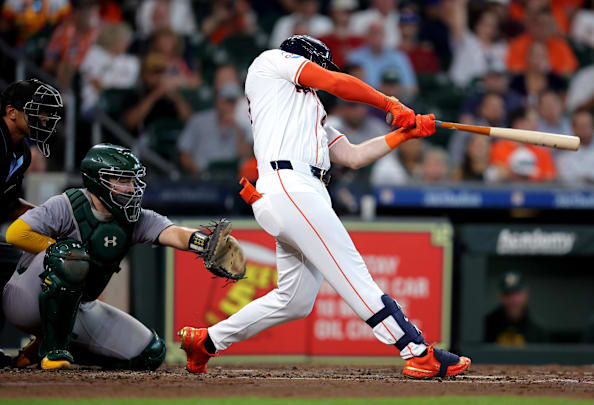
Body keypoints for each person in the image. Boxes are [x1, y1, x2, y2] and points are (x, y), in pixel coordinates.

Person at [177, 35, 471, 379]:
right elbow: (334, 81)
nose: (322, 73)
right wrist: (390, 104)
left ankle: (206, 341)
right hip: (290, 185)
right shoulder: (271, 62)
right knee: (352, 272)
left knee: (295, 300)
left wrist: (406, 134)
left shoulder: (308, 112)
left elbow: (354, 156)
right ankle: (417, 351)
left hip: (301, 191)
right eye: (319, 65)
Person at [3, 144, 243, 370]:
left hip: (78, 307)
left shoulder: (135, 218)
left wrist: (204, 242)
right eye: (121, 180)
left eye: (132, 180)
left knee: (150, 353)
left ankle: (44, 346)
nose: (130, 187)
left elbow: (174, 233)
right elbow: (16, 233)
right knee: (71, 255)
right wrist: (58, 249)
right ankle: (53, 351)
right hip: (25, 298)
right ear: (98, 181)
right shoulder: (67, 204)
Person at [0, 78, 63, 367]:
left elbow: (10, 204)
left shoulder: (22, 152)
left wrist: (53, 219)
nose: (45, 118)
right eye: (37, 111)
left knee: (13, 267)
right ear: (11, 112)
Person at [178, 73, 250, 177]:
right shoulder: (198, 120)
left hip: (232, 179)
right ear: (218, 101)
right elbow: (184, 154)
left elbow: (246, 157)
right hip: (202, 178)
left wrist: (239, 127)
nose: (231, 105)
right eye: (228, 101)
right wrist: (197, 173)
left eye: (234, 101)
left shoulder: (243, 124)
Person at [79, 22, 139, 118]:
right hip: (96, 102)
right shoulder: (94, 53)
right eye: (123, 40)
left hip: (122, 104)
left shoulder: (130, 60)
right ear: (113, 39)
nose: (126, 44)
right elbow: (94, 81)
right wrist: (112, 94)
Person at [346, 19, 417, 94]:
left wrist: (394, 90)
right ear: (366, 36)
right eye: (373, 33)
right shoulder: (354, 57)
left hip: (393, 100)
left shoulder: (398, 57)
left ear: (385, 35)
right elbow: (348, 86)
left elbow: (411, 87)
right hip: (364, 101)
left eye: (379, 33)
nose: (376, 37)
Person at [487, 107, 556, 182]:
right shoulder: (498, 148)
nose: (535, 125)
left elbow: (550, 179)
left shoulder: (543, 152)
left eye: (536, 121)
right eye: (531, 121)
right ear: (518, 123)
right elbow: (492, 175)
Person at [448, 6, 506, 88]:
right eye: (483, 23)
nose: (486, 28)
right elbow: (457, 19)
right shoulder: (467, 41)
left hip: (486, 94)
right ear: (477, 24)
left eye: (491, 25)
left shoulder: (501, 48)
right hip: (460, 90)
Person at [485, 272, 545, 345]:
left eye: (517, 293)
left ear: (526, 294)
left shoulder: (537, 331)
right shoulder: (486, 327)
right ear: (501, 297)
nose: (513, 299)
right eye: (508, 294)